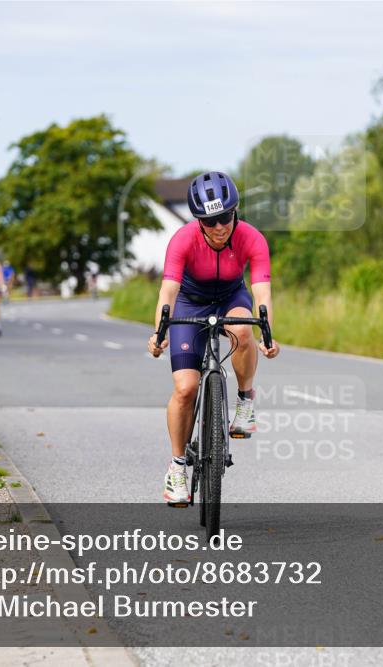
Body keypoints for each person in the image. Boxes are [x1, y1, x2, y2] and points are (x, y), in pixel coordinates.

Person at [147, 171, 279, 505]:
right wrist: (159, 332)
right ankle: (177, 467)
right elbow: (168, 291)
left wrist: (268, 335)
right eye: (209, 221)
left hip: (231, 298)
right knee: (185, 388)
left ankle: (245, 401)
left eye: (225, 217)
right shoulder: (182, 240)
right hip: (190, 303)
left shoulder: (252, 238)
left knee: (243, 329)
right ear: (198, 221)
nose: (219, 227)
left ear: (235, 212)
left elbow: (262, 293)